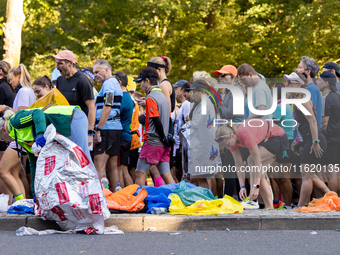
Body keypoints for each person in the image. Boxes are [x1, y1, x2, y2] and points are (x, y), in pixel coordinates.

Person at [0, 105, 93, 198]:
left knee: (82, 160)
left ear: (3, 130)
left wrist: (41, 134)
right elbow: (34, 164)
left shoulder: (14, 121)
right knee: (71, 165)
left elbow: (37, 113)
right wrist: (35, 193)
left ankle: (96, 196)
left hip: (71, 117)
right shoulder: (19, 138)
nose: (6, 141)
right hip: (64, 123)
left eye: (2, 138)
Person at [215, 119, 291, 209]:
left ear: (232, 136)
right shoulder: (231, 141)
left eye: (227, 144)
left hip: (278, 137)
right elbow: (238, 164)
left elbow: (257, 161)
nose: (228, 147)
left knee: (251, 160)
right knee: (260, 176)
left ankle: (252, 200)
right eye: (225, 146)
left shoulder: (245, 133)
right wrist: (242, 186)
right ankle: (270, 209)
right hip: (266, 140)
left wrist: (255, 187)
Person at [284, 72, 330, 207]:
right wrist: (298, 143)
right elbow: (303, 125)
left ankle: (301, 207)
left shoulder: (302, 99)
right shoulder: (299, 99)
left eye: (290, 82)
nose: (287, 85)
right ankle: (331, 196)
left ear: (299, 84)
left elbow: (313, 122)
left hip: (315, 139)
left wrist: (315, 142)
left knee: (306, 176)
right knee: (310, 174)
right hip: (310, 139)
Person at [134, 67, 175, 186]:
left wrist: (162, 137)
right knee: (166, 174)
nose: (140, 85)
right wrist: (167, 138)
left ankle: (140, 202)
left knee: (139, 173)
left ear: (147, 81)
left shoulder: (151, 97)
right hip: (164, 143)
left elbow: (156, 120)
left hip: (154, 141)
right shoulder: (162, 96)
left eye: (141, 82)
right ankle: (176, 199)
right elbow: (168, 119)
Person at [0, 64, 36, 201]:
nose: (10, 83)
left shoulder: (24, 91)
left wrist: (5, 108)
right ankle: (21, 203)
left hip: (21, 138)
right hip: (24, 137)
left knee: (3, 171)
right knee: (14, 172)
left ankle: (20, 201)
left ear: (19, 76)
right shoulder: (28, 91)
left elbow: (23, 112)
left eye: (11, 79)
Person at [50, 50, 95, 147]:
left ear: (70, 63)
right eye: (56, 64)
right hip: (64, 128)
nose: (57, 67)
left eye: (60, 64)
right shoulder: (60, 80)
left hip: (80, 128)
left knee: (80, 160)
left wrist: (89, 133)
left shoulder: (82, 80)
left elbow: (91, 107)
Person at [92, 60, 123, 192]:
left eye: (97, 72)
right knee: (112, 166)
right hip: (115, 128)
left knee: (99, 164)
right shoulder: (115, 83)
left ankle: (100, 197)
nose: (95, 75)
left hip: (107, 128)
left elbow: (107, 107)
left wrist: (98, 128)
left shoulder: (108, 83)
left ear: (106, 70)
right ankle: (115, 196)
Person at [188, 80, 221, 189]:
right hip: (204, 144)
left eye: (195, 92)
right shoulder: (204, 103)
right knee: (201, 176)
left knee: (201, 176)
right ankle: (206, 199)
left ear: (202, 91)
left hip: (203, 145)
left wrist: (187, 123)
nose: (193, 95)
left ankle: (206, 199)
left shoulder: (204, 104)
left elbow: (195, 124)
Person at [316, 71, 340, 194]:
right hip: (337, 137)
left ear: (326, 83)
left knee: (332, 172)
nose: (317, 82)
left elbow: (324, 123)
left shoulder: (326, 98)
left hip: (330, 139)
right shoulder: (338, 96)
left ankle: (333, 201)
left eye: (319, 80)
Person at [271, 83, 294, 209]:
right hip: (281, 143)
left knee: (285, 178)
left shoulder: (280, 106)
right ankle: (282, 203)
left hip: (285, 144)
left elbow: (271, 123)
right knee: (276, 176)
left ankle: (288, 205)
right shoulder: (282, 104)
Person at [113, 71, 134, 188]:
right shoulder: (128, 97)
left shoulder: (122, 97)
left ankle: (122, 196)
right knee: (124, 170)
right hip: (126, 136)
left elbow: (113, 112)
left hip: (121, 137)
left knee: (119, 170)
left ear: (119, 82)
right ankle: (130, 195)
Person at [295, 56, 322, 127]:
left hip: (309, 134)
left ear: (307, 72)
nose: (296, 70)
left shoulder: (310, 89)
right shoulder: (310, 87)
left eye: (300, 68)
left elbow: (312, 117)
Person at [172, 80, 190, 182]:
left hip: (182, 145)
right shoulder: (183, 104)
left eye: (176, 88)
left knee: (181, 174)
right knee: (177, 173)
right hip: (178, 144)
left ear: (181, 89)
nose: (174, 91)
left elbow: (187, 126)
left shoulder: (187, 104)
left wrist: (182, 145)